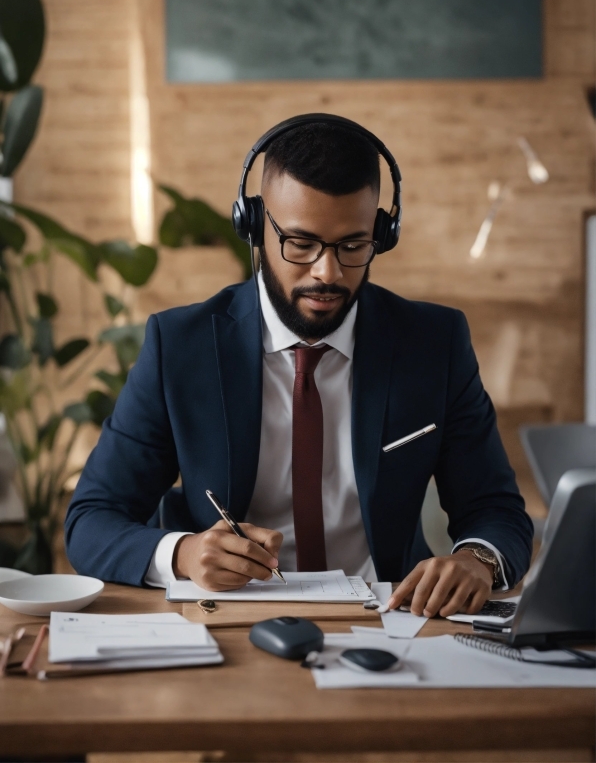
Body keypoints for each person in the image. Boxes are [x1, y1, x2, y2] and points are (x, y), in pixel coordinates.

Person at [65, 116, 533, 618]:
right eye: (301, 244)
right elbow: (92, 520)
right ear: (255, 227)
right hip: (230, 623)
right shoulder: (180, 346)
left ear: (381, 233)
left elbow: (496, 508)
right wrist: (181, 553)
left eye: (352, 246)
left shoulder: (433, 344)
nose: (326, 273)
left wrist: (478, 559)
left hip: (392, 621)